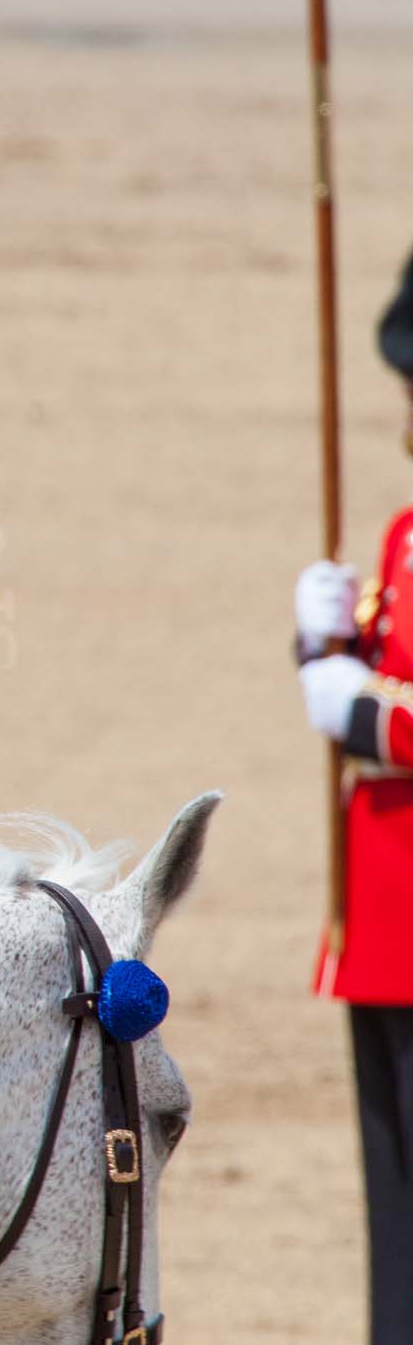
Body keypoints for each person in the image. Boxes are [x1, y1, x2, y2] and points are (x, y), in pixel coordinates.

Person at [294, 247, 413, 1345]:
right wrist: (322, 640)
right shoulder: (400, 532)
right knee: (396, 1200)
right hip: (385, 921)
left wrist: (359, 710)